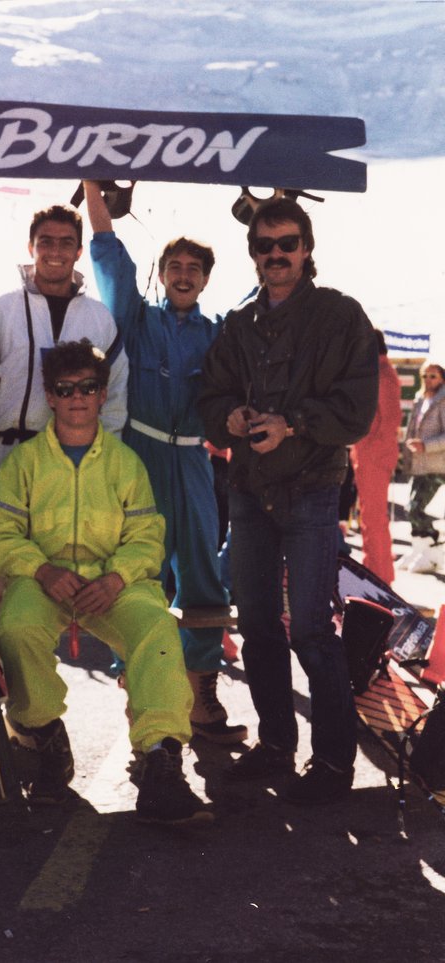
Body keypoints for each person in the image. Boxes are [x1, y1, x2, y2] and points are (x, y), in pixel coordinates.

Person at [0, 339, 212, 825]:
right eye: (66, 389)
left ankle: (159, 759)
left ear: (103, 395)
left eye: (89, 387)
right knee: (16, 629)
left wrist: (118, 576)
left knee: (157, 630)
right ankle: (45, 741)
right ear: (51, 395)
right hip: (45, 580)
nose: (78, 396)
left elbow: (148, 536)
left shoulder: (125, 463)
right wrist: (40, 568)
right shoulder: (25, 462)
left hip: (113, 584)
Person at [198, 196, 379, 804]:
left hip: (310, 495)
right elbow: (211, 395)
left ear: (306, 249)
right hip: (248, 494)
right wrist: (233, 416)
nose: (276, 254)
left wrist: (292, 423)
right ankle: (276, 746)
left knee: (310, 630)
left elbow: (357, 412)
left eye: (287, 243)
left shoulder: (341, 315)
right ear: (252, 254)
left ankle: (331, 762)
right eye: (264, 245)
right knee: (255, 628)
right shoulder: (237, 322)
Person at [83, 180, 245, 746]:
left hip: (194, 463)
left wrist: (277, 203)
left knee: (201, 575)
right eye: (173, 265)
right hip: (140, 460)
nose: (182, 274)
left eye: (193, 269)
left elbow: (267, 295)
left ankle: (201, 692)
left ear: (204, 279)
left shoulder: (221, 332)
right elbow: (108, 250)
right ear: (163, 272)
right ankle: (138, 690)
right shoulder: (135, 319)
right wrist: (89, 184)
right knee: (136, 574)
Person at [0, 203, 129, 605]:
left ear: (78, 251)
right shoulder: (0, 310)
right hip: (5, 457)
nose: (55, 250)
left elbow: (114, 401)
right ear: (31, 246)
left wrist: (99, 470)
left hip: (69, 467)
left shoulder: (99, 319)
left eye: (66, 243)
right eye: (46, 242)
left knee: (50, 598)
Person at [349, 329, 402, 584]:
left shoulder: (382, 374)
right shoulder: (378, 373)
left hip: (374, 454)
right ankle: (374, 569)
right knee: (369, 518)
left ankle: (379, 574)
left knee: (374, 518)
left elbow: (388, 420)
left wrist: (367, 443)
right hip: (369, 453)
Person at [397, 361, 445, 573]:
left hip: (436, 465)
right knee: (411, 508)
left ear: (442, 378)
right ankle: (420, 551)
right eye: (425, 375)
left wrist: (425, 446)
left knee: (414, 509)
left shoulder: (442, 400)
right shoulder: (420, 398)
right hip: (418, 464)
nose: (428, 380)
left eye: (433, 376)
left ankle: (433, 543)